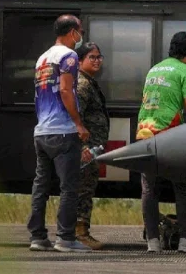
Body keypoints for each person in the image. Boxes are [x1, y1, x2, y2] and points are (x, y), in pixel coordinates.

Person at [137, 32, 186, 254]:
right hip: (168, 135)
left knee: (150, 190)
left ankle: (153, 240)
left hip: (145, 133)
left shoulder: (155, 69)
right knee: (183, 186)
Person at [28, 14, 92, 252]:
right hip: (63, 131)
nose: (81, 36)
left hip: (42, 131)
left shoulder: (42, 58)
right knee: (69, 187)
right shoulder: (69, 56)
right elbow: (65, 90)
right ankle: (65, 238)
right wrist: (78, 123)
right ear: (72, 32)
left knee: (41, 187)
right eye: (80, 32)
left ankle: (37, 237)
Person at [74, 42, 109, 250]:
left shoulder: (89, 82)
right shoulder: (82, 85)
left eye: (99, 57)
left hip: (92, 148)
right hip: (86, 149)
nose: (97, 61)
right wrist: (82, 147)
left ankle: (80, 231)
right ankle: (80, 234)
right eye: (92, 57)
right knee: (83, 190)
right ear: (79, 61)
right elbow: (74, 117)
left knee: (86, 188)